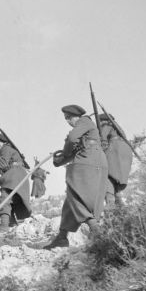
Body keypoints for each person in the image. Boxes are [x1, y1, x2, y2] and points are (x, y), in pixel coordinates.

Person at [43, 105, 108, 249]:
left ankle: (95, 229)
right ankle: (62, 236)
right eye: (66, 119)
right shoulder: (85, 130)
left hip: (88, 160)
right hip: (95, 160)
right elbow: (75, 151)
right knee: (70, 199)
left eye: (69, 117)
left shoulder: (84, 121)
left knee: (74, 193)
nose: (68, 121)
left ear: (77, 116)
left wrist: (65, 153)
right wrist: (60, 161)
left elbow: (72, 139)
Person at [0, 132, 31, 234]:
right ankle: (11, 223)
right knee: (10, 201)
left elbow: (2, 164)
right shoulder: (9, 149)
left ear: (4, 141)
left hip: (14, 176)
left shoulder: (5, 149)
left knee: (3, 200)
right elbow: (5, 165)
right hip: (18, 176)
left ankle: (4, 227)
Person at [97, 113, 133, 206]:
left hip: (115, 151)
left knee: (106, 173)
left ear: (103, 121)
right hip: (125, 152)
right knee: (115, 177)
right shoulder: (118, 128)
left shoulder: (106, 126)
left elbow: (103, 141)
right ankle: (118, 201)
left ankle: (111, 202)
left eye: (100, 122)